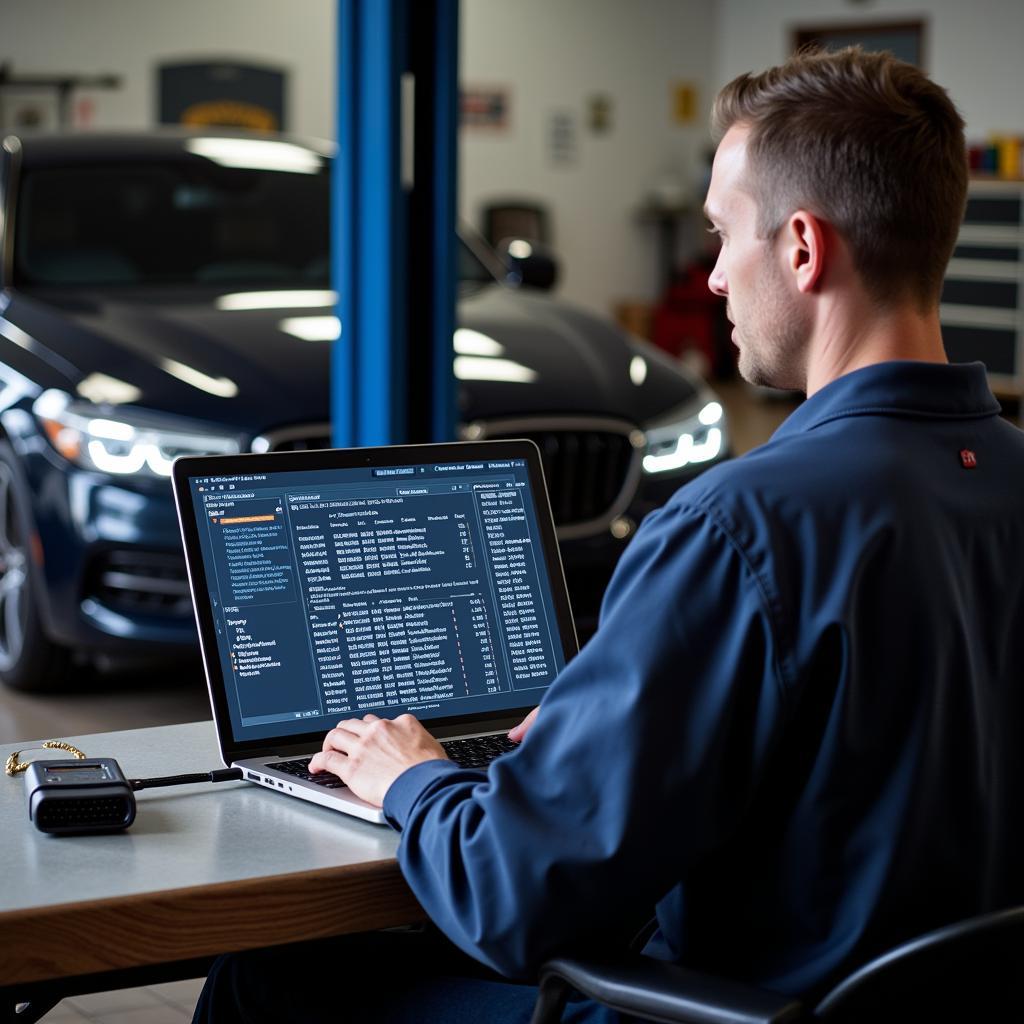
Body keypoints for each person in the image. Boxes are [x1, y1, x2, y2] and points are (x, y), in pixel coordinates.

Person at [193, 47, 1024, 1022]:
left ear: (802, 248)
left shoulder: (739, 526)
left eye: (721, 237)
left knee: (265, 980)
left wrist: (411, 778)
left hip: (720, 1010)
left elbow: (509, 897)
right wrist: (596, 742)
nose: (712, 278)